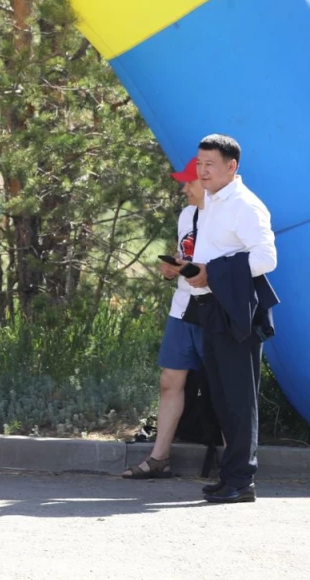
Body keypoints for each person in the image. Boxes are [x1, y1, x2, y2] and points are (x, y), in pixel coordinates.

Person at [180, 134, 277, 504]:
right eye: (199, 163)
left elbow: (267, 258)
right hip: (210, 307)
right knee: (221, 397)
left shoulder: (246, 205)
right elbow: (214, 253)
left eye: (210, 164)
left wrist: (214, 272)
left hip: (236, 310)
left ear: (231, 167)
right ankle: (231, 476)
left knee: (239, 399)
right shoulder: (212, 201)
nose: (201, 171)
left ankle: (242, 480)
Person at [123, 158, 205, 480]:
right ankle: (160, 458)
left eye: (189, 182)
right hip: (182, 307)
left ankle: (237, 465)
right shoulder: (187, 214)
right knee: (169, 381)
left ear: (207, 182)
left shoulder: (225, 217)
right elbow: (184, 255)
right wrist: (171, 270)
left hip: (214, 310)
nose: (184, 188)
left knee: (225, 387)